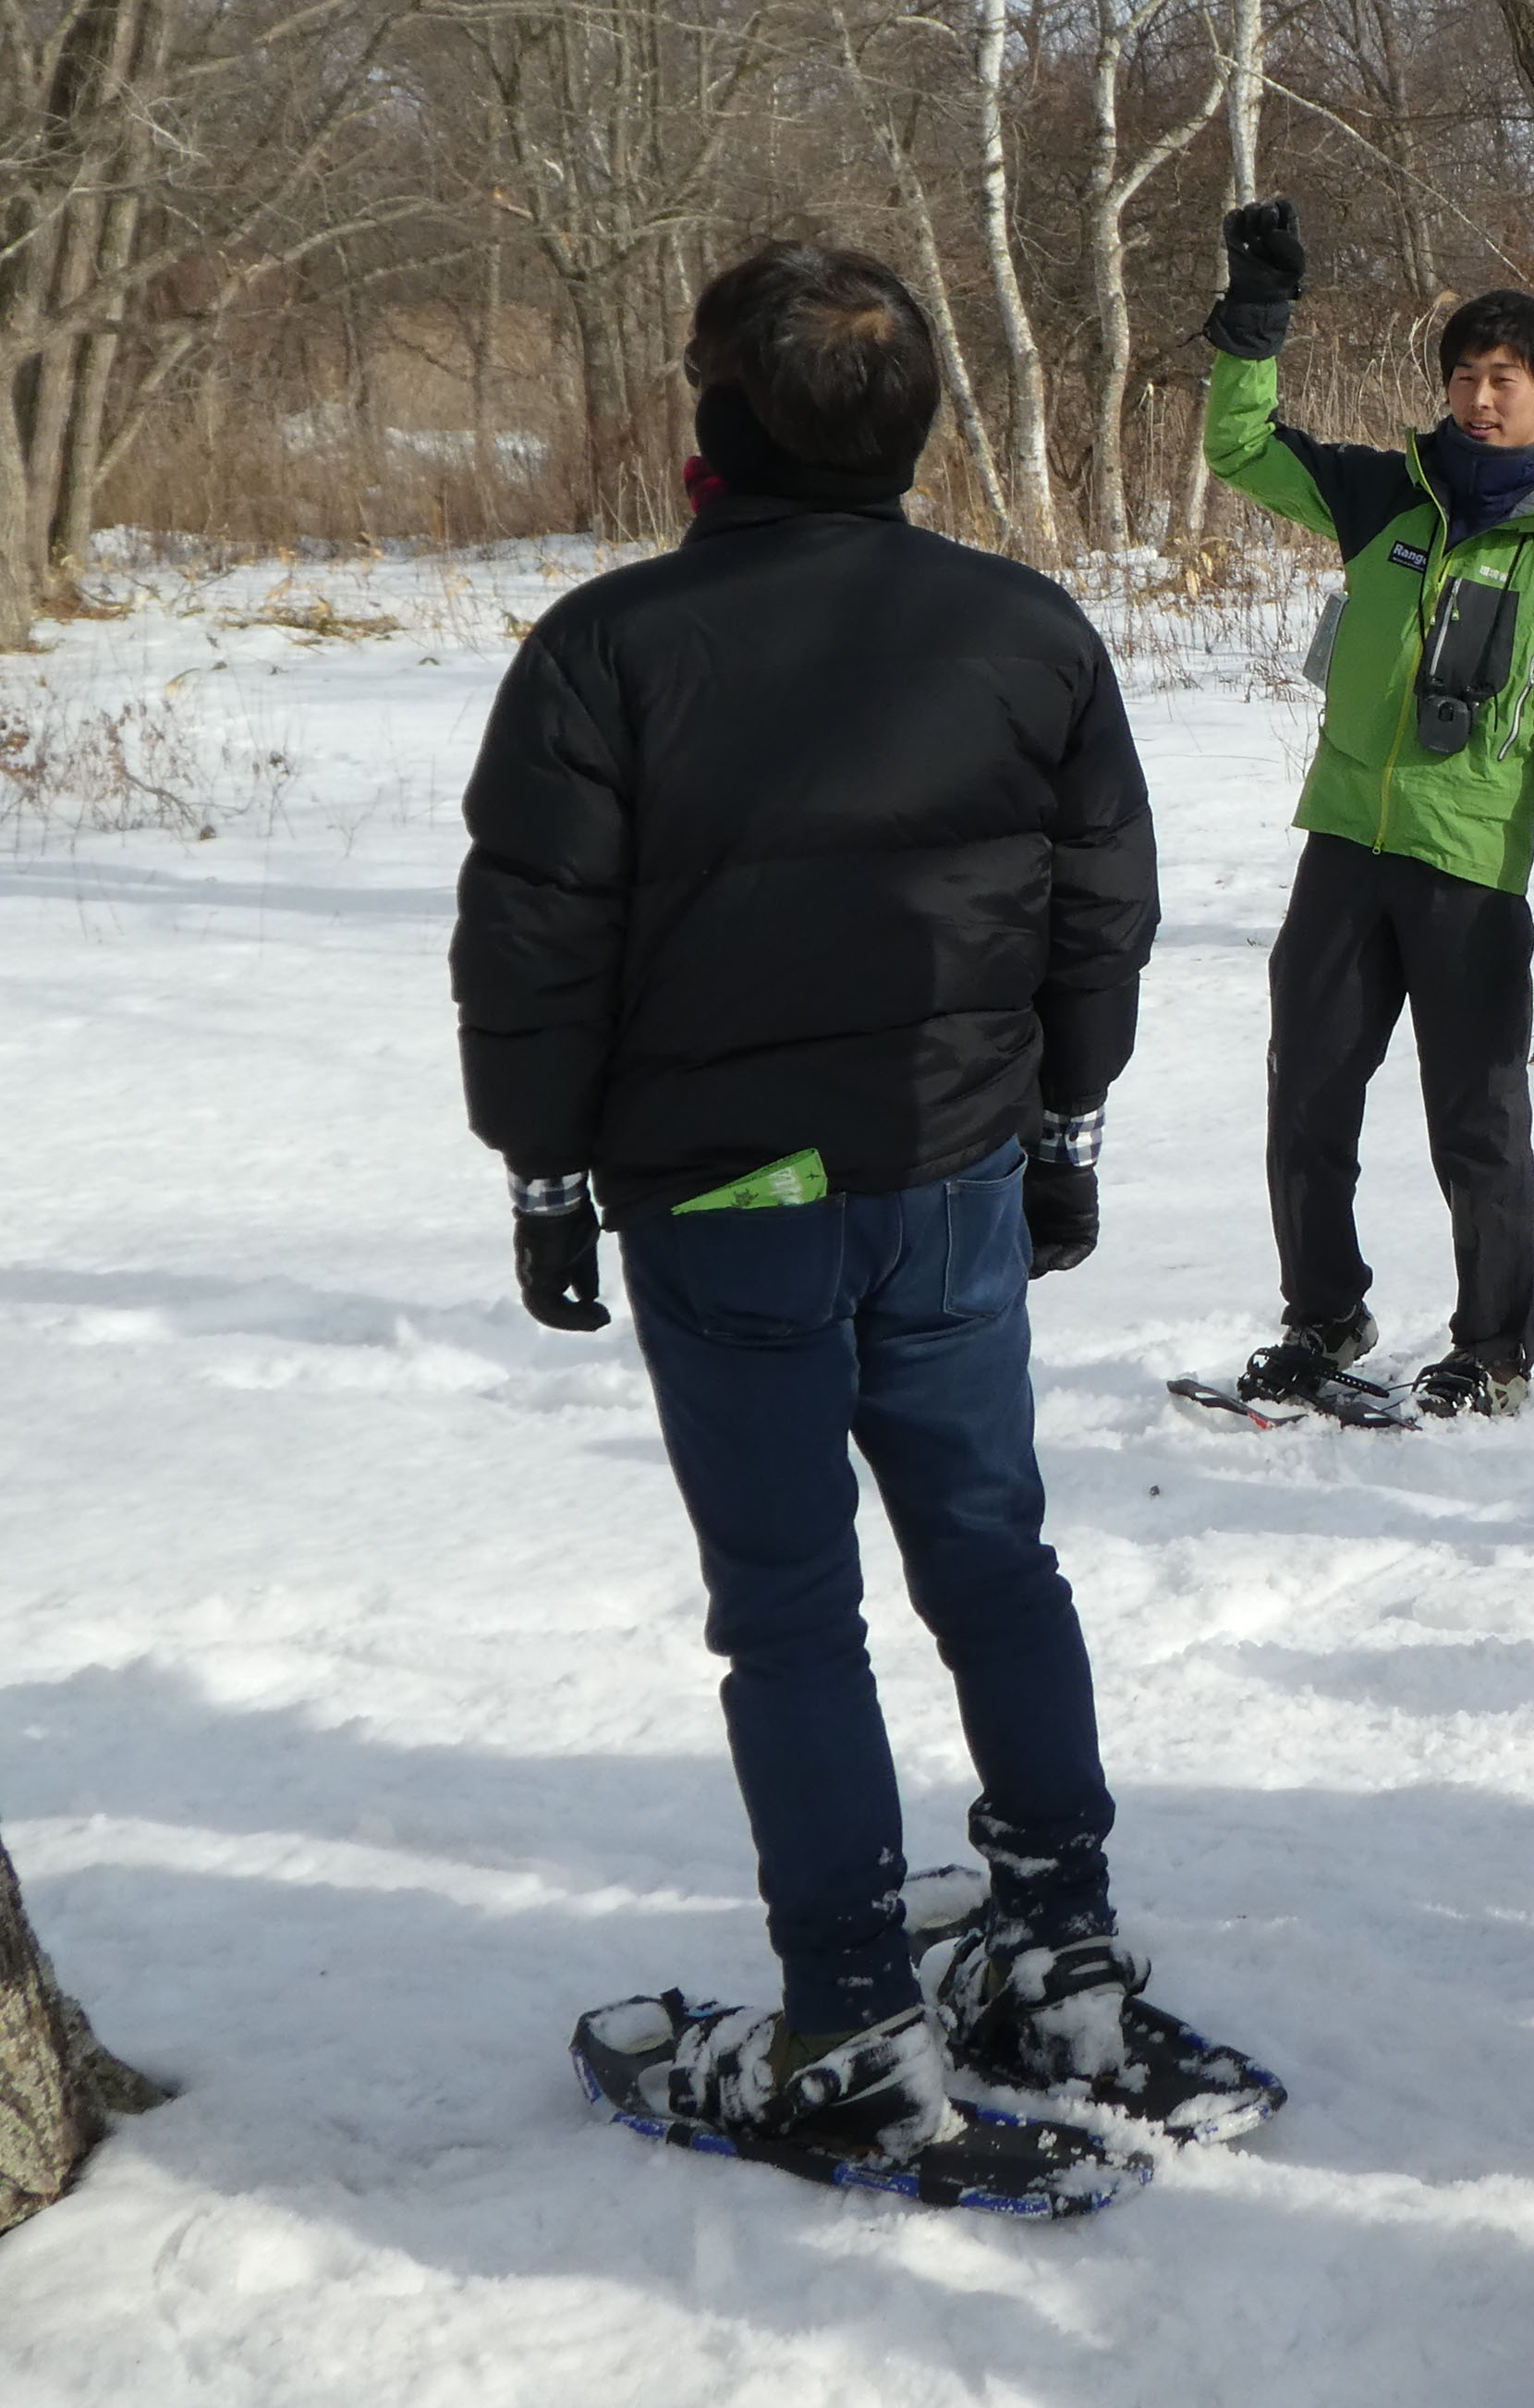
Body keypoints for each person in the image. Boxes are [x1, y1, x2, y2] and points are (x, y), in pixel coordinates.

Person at [451, 244, 1235, 2153]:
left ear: (721, 423)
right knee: (988, 1556)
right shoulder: (1022, 627)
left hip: (755, 1194)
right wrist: (1068, 1123)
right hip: (936, 1166)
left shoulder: (612, 644)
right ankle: (1053, 1946)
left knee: (796, 1609)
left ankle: (863, 2019)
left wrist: (544, 1169)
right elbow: (1102, 912)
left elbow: (534, 946)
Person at [1200, 198, 1534, 1417]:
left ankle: (1495, 1344)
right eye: (1464, 377)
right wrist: (1256, 320)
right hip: (1345, 852)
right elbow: (1242, 449)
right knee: (1307, 1101)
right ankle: (1324, 1316)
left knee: (1478, 1125)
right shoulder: (1385, 495)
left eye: (1505, 381)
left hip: (1469, 878)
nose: (1480, 400)